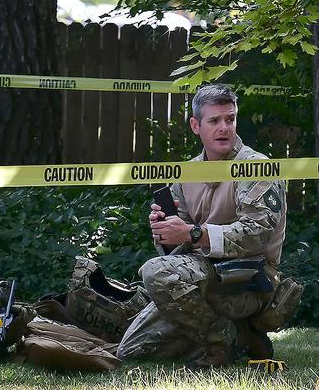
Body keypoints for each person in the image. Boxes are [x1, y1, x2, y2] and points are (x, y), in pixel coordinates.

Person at [117, 84, 288, 367]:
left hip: (250, 277)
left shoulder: (256, 167)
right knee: (132, 350)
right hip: (204, 273)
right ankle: (242, 333)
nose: (224, 127)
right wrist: (166, 232)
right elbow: (177, 245)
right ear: (196, 126)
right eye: (215, 121)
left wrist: (194, 233)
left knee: (155, 272)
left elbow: (259, 234)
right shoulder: (189, 171)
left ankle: (221, 341)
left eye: (230, 119)